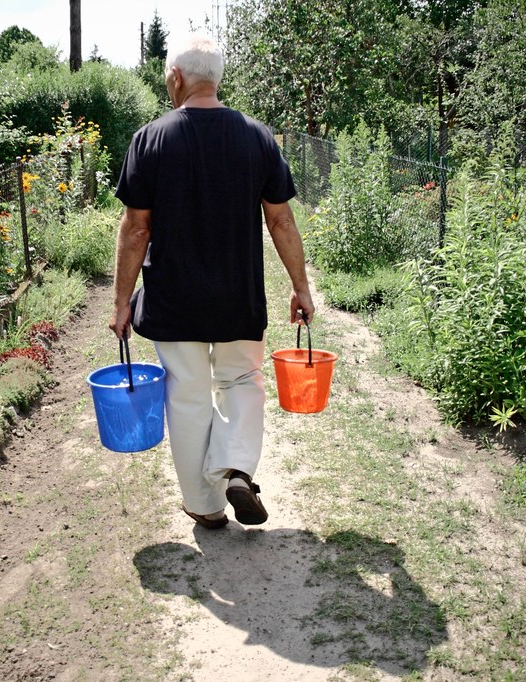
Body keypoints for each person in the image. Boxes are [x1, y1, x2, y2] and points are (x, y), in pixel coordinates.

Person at [108, 33, 315, 530]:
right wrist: (300, 287)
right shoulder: (257, 137)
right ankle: (237, 467)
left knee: (189, 394)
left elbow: (137, 228)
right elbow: (281, 220)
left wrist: (120, 302)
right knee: (243, 380)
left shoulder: (150, 139)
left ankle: (204, 505)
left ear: (176, 77)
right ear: (216, 79)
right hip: (237, 296)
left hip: (173, 300)